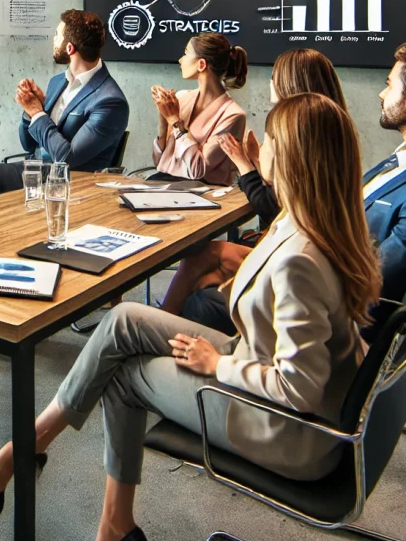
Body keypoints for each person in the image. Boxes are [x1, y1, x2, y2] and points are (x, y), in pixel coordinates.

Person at [0, 93, 380, 541]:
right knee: (124, 319)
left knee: (124, 375)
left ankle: (40, 484)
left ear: (293, 160)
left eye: (268, 140)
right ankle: (28, 463)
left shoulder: (300, 260)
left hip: (286, 431)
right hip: (262, 367)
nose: (258, 146)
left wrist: (217, 364)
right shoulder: (316, 225)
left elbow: (299, 389)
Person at [160, 48, 347, 326]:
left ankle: (157, 325)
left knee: (203, 266)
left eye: (273, 77)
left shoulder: (292, 131)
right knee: (202, 274)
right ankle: (163, 324)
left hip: (285, 253)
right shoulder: (330, 131)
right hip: (283, 246)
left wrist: (245, 163)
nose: (269, 82)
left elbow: (274, 205)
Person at [0, 10, 128, 204]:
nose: (53, 39)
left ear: (70, 48)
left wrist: (38, 113)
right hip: (37, 169)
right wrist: (31, 111)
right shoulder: (57, 82)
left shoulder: (110, 102)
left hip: (71, 182)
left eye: (57, 35)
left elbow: (67, 159)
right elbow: (29, 145)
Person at [150, 34, 248, 185]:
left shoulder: (233, 115)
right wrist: (163, 119)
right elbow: (160, 163)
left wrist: (175, 121)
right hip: (164, 185)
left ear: (201, 64)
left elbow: (197, 171)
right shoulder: (181, 98)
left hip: (204, 192)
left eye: (186, 53)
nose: (180, 60)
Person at [360, 42, 406, 343]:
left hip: (345, 324)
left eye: (389, 85)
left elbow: (379, 278)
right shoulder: (397, 159)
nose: (381, 94)